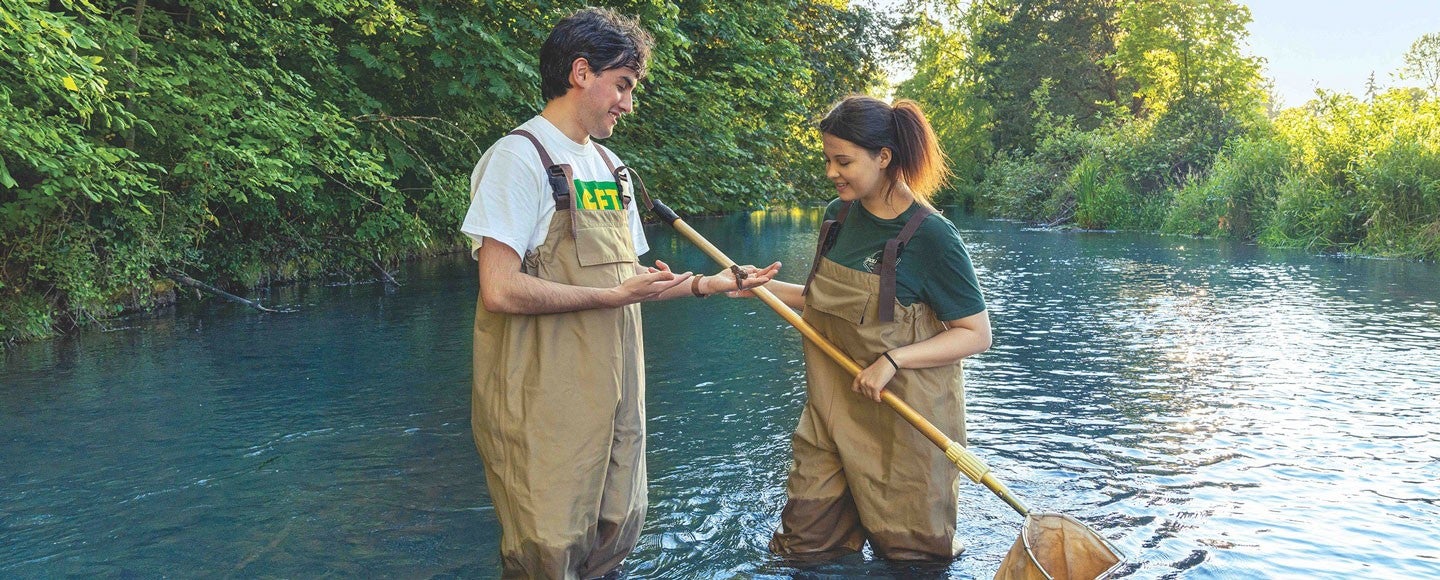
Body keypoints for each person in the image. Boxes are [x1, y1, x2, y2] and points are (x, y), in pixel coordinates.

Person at [458, 8, 779, 579]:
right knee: (547, 546)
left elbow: (629, 282)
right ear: (581, 72)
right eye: (623, 85)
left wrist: (713, 284)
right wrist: (608, 297)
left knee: (618, 527)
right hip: (541, 392)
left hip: (617, 388)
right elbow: (499, 289)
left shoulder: (613, 170)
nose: (628, 104)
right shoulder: (517, 158)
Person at [755, 95, 992, 562]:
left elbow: (976, 333)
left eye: (842, 160)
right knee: (802, 550)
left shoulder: (933, 236)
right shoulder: (835, 217)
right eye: (827, 159)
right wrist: (758, 285)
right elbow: (818, 299)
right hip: (830, 412)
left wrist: (892, 360)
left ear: (884, 157)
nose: (830, 172)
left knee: (912, 562)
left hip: (906, 424)